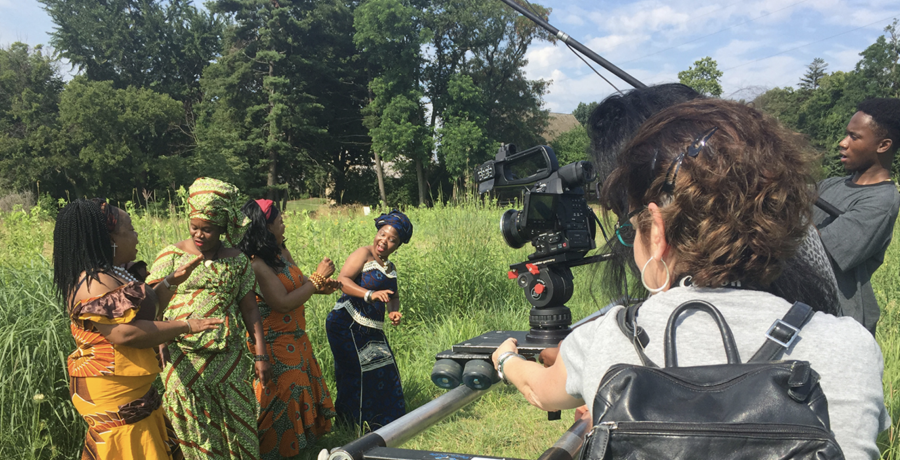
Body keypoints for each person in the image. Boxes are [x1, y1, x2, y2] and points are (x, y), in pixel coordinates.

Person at [493, 99, 890, 458]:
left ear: (658, 232)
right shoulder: (851, 345)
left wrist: (506, 358)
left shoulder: (606, 338)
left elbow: (541, 391)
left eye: (633, 226)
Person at [53, 199, 223, 459]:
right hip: (114, 394)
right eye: (130, 229)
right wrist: (186, 325)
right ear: (110, 238)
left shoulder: (112, 273)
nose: (136, 235)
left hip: (134, 390)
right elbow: (124, 333)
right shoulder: (93, 284)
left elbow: (142, 312)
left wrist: (170, 282)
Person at [147, 177, 272, 460]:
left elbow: (250, 308)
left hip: (227, 355)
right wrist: (158, 338)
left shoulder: (237, 259)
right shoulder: (171, 255)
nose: (199, 235)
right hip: (181, 356)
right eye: (194, 227)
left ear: (223, 228)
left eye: (208, 230)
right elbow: (150, 302)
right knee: (190, 422)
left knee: (235, 418)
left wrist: (261, 353)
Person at [239, 199, 339, 459]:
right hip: (275, 341)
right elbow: (281, 303)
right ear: (265, 226)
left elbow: (299, 285)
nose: (283, 222)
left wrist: (320, 286)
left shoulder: (281, 253)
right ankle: (271, 452)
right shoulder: (256, 264)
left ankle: (300, 449)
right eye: (279, 219)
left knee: (298, 390)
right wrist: (316, 279)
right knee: (284, 395)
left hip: (297, 338)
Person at [813, 97, 900, 335]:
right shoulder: (831, 184)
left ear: (883, 145)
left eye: (854, 136)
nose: (843, 143)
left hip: (839, 325)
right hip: (805, 312)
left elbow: (816, 252)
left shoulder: (882, 201)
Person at [325, 209, 412, 430]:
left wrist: (394, 311)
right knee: (356, 373)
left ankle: (384, 423)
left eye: (392, 240)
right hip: (346, 323)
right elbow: (342, 280)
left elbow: (394, 297)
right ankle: (351, 425)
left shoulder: (390, 268)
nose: (384, 241)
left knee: (386, 369)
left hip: (371, 329)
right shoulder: (363, 254)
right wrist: (369, 294)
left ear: (398, 245)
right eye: (382, 234)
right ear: (377, 232)